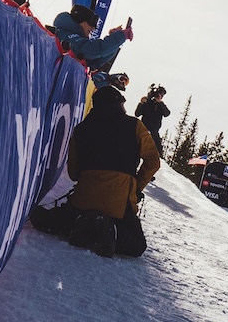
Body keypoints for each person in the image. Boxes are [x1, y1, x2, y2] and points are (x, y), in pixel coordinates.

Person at [65, 84, 160, 257]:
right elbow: (153, 162)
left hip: (83, 197)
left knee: (62, 219)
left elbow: (73, 173)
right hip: (118, 202)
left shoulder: (81, 129)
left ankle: (80, 223)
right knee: (137, 245)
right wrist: (136, 186)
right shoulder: (135, 126)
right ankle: (111, 229)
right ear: (118, 104)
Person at [50, 4, 132, 71]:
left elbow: (96, 61)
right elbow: (93, 50)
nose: (93, 28)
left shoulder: (77, 38)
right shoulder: (65, 34)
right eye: (91, 23)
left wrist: (114, 42)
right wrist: (120, 36)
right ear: (80, 20)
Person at [135, 84, 171, 156]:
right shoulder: (147, 103)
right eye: (160, 94)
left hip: (154, 130)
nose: (161, 96)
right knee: (137, 145)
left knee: (158, 149)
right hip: (143, 128)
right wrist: (141, 103)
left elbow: (167, 113)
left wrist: (160, 103)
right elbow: (137, 114)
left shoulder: (160, 105)